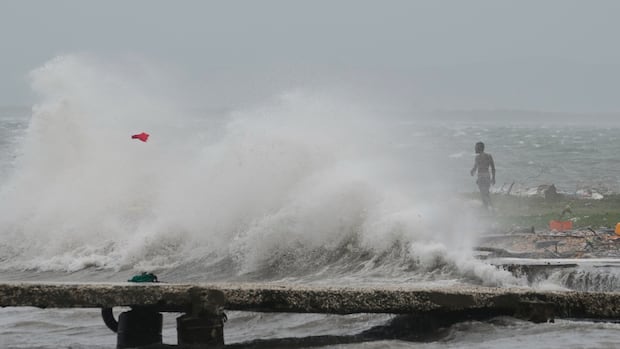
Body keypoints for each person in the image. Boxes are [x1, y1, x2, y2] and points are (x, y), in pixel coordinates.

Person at [470, 141, 495, 209]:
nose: (475, 149)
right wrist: (493, 178)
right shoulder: (488, 156)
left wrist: (472, 171)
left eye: (476, 147)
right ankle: (489, 208)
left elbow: (475, 168)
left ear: (480, 148)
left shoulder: (478, 157)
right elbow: (493, 168)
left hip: (482, 177)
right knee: (485, 194)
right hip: (486, 176)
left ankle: (489, 208)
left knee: (484, 194)